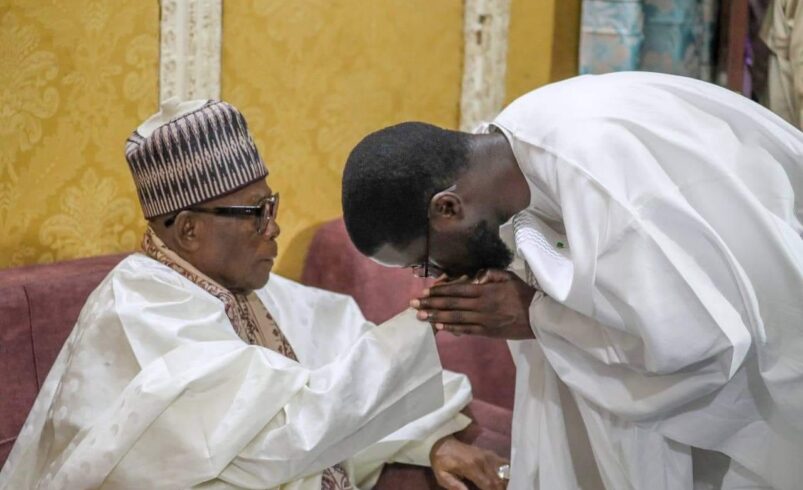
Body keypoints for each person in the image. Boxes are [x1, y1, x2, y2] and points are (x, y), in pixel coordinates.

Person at [0, 99, 509, 489]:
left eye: (271, 205)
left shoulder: (239, 285)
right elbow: (283, 435)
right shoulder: (142, 309)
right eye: (254, 214)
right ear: (188, 230)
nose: (275, 229)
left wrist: (431, 441)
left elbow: (340, 355)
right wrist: (425, 316)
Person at [341, 71, 803, 489]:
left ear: (448, 208)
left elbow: (702, 346)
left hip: (776, 375)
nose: (437, 276)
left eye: (425, 262)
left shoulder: (595, 168)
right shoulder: (510, 155)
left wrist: (535, 316)